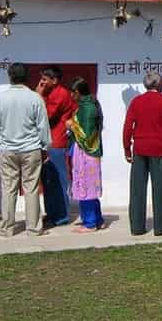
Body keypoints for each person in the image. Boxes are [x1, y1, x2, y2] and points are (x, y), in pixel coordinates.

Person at [0, 63, 51, 237]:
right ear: (27, 77)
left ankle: (7, 227)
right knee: (31, 188)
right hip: (31, 149)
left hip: (7, 150)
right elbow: (43, 126)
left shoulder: (0, 99)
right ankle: (33, 228)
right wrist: (45, 147)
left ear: (10, 77)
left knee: (9, 188)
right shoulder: (35, 98)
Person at [123, 72, 162, 236]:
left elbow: (128, 126)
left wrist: (126, 147)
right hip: (159, 148)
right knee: (160, 188)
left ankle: (137, 226)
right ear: (159, 84)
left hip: (139, 148)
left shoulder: (136, 101)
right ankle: (160, 227)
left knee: (137, 189)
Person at [36, 65, 77, 227]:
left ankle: (61, 216)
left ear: (54, 80)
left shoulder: (61, 94)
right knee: (48, 181)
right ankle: (52, 213)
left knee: (59, 180)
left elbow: (47, 115)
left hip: (57, 142)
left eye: (45, 80)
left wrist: (38, 96)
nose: (42, 82)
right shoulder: (49, 92)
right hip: (47, 142)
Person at [65, 77, 105, 233]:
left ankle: (90, 222)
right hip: (86, 152)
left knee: (86, 186)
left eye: (72, 93)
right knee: (89, 186)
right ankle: (97, 219)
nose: (71, 96)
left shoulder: (88, 109)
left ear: (77, 92)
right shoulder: (86, 105)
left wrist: (72, 125)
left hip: (87, 152)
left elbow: (87, 134)